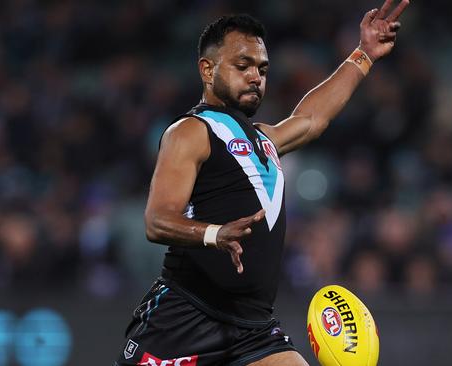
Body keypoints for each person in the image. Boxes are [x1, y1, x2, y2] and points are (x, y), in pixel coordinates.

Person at [116, 1, 409, 365]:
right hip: (183, 320)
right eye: (243, 65)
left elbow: (310, 119)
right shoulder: (190, 131)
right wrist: (214, 234)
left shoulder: (263, 139)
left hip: (253, 330)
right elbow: (156, 219)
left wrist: (363, 54)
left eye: (262, 68)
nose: (256, 76)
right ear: (207, 70)